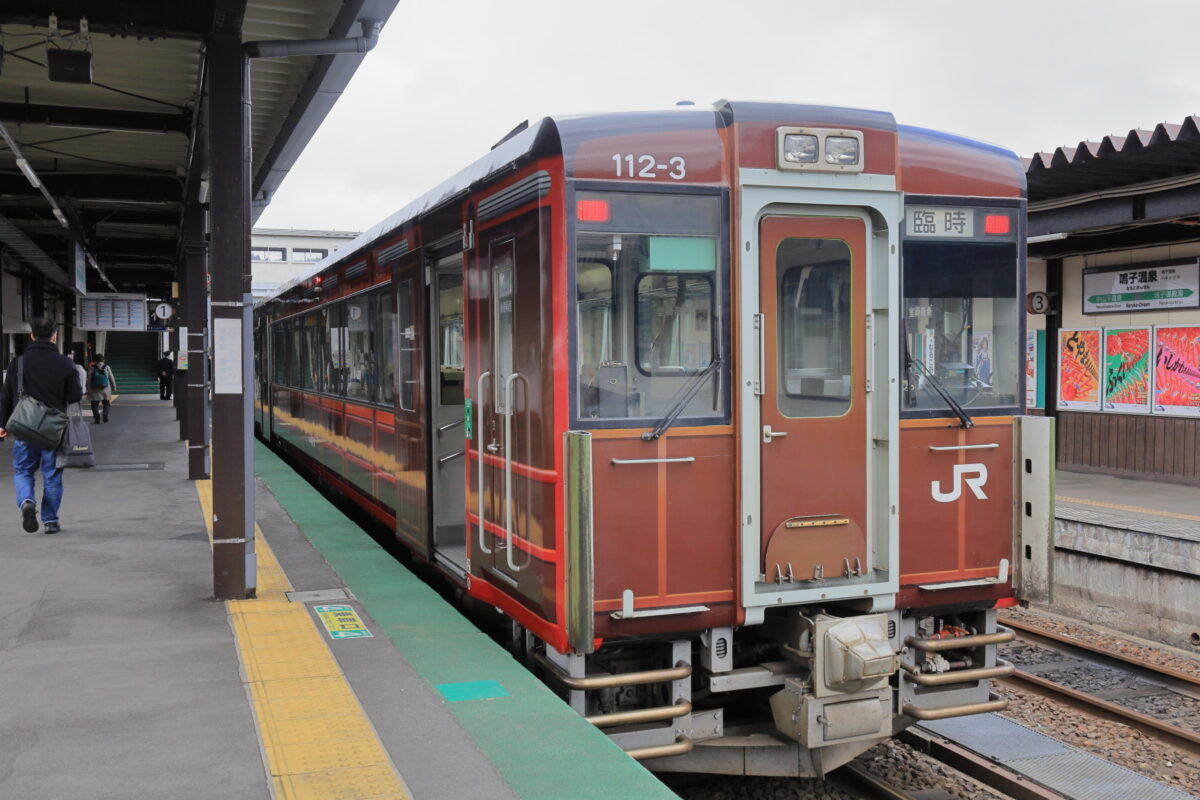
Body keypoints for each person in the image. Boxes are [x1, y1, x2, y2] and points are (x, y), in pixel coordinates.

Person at [0, 317, 83, 534]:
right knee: (52, 475)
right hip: (53, 430)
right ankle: (50, 521)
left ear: (32, 336)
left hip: (24, 428)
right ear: (54, 337)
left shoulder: (18, 363)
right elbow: (75, 395)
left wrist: (2, 424)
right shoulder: (65, 363)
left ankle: (27, 501)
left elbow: (6, 397)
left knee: (23, 470)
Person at [88, 354, 116, 424]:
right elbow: (111, 377)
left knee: (94, 404)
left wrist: (89, 388)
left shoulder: (92, 367)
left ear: (95, 360)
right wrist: (114, 386)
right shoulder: (107, 367)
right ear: (103, 360)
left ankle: (97, 419)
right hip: (106, 388)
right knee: (106, 402)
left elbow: (89, 379)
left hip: (95, 388)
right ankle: (105, 414)